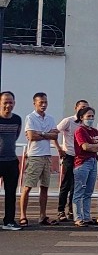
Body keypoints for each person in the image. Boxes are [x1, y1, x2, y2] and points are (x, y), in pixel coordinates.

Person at [20, 92, 59, 227]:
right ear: (34, 103)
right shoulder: (30, 117)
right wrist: (46, 134)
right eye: (41, 102)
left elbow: (55, 135)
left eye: (45, 102)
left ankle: (42, 215)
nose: (43, 105)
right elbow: (31, 136)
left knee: (45, 187)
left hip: (47, 156)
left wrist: (41, 133)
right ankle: (23, 215)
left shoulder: (50, 118)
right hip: (35, 155)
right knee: (28, 186)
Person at [54, 99, 89, 222]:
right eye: (82, 107)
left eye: (86, 108)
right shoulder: (68, 121)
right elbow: (54, 133)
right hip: (69, 155)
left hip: (81, 158)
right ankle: (60, 210)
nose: (83, 110)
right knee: (66, 184)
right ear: (76, 108)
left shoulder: (86, 124)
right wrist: (59, 148)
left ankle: (71, 210)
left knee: (77, 185)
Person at [72, 106, 98, 227]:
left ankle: (86, 216)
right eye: (88, 116)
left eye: (92, 116)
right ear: (81, 118)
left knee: (88, 192)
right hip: (82, 163)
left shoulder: (95, 131)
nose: (90, 118)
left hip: (93, 161)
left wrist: (93, 146)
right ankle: (78, 217)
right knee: (79, 191)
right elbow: (84, 146)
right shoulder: (80, 131)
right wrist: (93, 146)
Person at [0, 91, 23, 231]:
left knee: (10, 193)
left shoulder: (17, 119)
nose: (8, 105)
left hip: (11, 161)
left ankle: (9, 221)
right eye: (5, 102)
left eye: (11, 102)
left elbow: (15, 136)